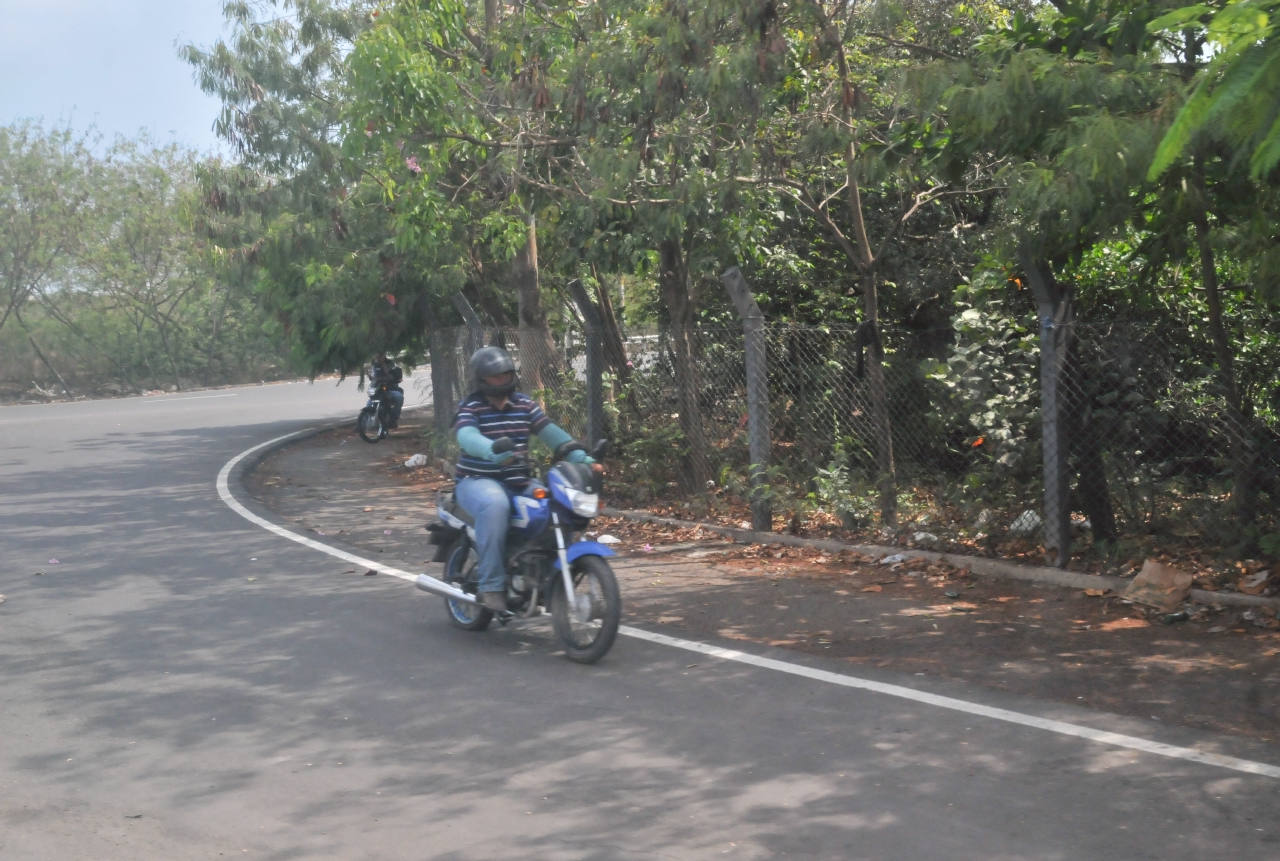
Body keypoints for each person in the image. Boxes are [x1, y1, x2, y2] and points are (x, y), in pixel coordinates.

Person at [453, 346, 592, 613]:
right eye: (496, 376)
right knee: (495, 505)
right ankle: (491, 585)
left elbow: (554, 436)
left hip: (519, 482)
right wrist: (491, 451)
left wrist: (583, 460)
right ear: (481, 379)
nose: (503, 380)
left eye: (507, 374)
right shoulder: (471, 407)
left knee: (559, 506)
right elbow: (467, 437)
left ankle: (546, 578)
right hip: (477, 481)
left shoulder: (525, 405)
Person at [371, 352, 404, 428]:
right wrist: (373, 379)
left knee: (398, 397)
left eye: (379, 357)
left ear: (384, 356)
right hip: (379, 389)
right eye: (376, 358)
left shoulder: (391, 363)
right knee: (370, 403)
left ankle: (393, 419)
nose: (378, 359)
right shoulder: (375, 365)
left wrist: (383, 364)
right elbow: (374, 377)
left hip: (390, 388)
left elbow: (389, 375)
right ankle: (363, 424)